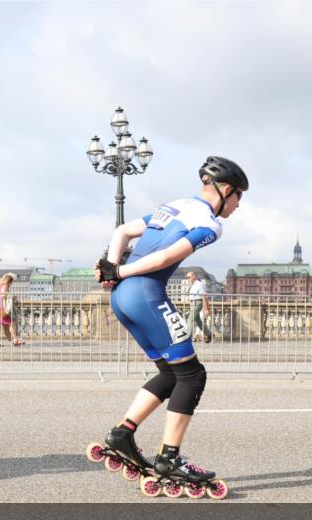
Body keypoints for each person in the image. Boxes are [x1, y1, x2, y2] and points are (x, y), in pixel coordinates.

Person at [91, 156, 248, 499]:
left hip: (122, 299)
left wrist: (111, 268)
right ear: (225, 190)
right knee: (193, 375)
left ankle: (122, 433)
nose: (238, 205)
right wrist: (120, 272)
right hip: (146, 294)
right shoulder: (210, 223)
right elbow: (164, 259)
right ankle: (169, 459)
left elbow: (122, 231)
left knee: (169, 372)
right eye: (239, 197)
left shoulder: (175, 206)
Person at [0, 272, 25, 347]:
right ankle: (15, 340)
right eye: (11, 282)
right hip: (3, 308)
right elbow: (4, 296)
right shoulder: (5, 286)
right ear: (9, 281)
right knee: (11, 323)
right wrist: (13, 298)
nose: (11, 284)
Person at [185, 271, 212, 343]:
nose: (187, 279)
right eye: (187, 277)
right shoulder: (192, 284)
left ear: (193, 276)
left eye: (189, 277)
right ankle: (209, 334)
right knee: (198, 321)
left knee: (190, 319)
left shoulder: (199, 284)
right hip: (192, 303)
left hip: (197, 302)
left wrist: (206, 308)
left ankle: (187, 338)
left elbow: (203, 296)